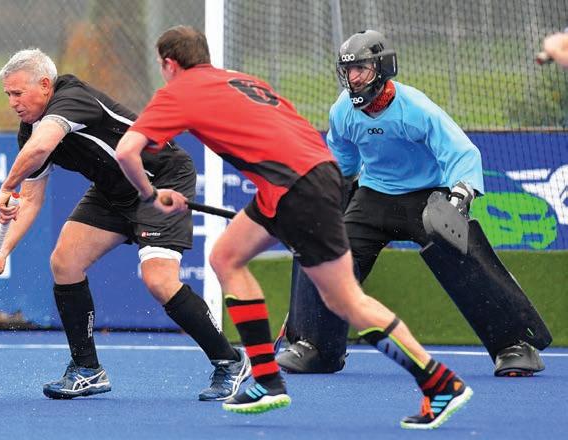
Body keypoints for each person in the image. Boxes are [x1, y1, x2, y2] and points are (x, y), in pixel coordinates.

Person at [115, 25, 472, 429]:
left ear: (168, 63)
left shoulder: (179, 90)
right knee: (225, 257)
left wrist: (150, 195)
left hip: (296, 187)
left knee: (345, 300)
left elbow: (127, 152)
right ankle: (266, 379)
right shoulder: (239, 79)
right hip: (297, 181)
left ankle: (439, 383)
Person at [0, 49, 250, 401]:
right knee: (65, 262)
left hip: (160, 181)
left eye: (18, 93)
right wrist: (1, 253)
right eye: (8, 95)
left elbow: (41, 147)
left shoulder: (71, 98)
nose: (12, 103)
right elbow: (30, 200)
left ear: (45, 85)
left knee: (158, 279)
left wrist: (6, 186)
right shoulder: (29, 131)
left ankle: (229, 361)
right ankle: (87, 369)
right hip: (113, 191)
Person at [277, 30, 547, 378]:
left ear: (383, 68)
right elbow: (342, 165)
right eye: (348, 70)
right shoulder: (342, 111)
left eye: (361, 69)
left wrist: (460, 195)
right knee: (327, 252)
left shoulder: (416, 108)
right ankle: (318, 349)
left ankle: (514, 346)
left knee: (464, 258)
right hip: (374, 196)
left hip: (427, 197)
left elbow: (462, 152)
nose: (353, 78)